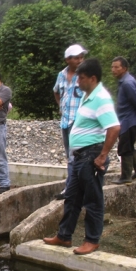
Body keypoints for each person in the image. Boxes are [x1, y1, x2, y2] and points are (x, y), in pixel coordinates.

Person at [44, 58, 120, 255]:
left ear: (92, 78)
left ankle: (92, 240)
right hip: (80, 157)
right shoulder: (89, 96)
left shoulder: (101, 98)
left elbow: (114, 127)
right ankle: (64, 235)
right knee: (72, 197)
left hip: (91, 155)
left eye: (82, 78)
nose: (78, 82)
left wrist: (103, 156)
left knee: (93, 199)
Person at [53, 44, 87, 200]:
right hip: (65, 121)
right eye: (76, 57)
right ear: (68, 59)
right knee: (70, 155)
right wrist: (61, 107)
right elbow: (56, 91)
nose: (80, 60)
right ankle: (73, 187)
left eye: (81, 57)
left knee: (77, 156)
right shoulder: (61, 75)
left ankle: (71, 189)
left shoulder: (85, 75)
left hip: (79, 121)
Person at [110, 56, 136, 185]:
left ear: (124, 68)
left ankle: (126, 176)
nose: (113, 70)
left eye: (116, 67)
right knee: (129, 145)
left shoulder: (127, 83)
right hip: (129, 119)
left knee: (124, 147)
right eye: (112, 67)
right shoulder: (126, 81)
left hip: (128, 120)